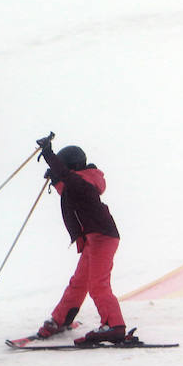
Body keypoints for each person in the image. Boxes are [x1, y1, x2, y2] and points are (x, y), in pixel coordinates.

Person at [34, 136, 126, 345]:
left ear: (71, 167)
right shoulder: (80, 182)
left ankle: (114, 326)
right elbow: (68, 188)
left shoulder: (83, 182)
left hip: (102, 237)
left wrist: (49, 155)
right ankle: (60, 320)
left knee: (97, 284)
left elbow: (71, 181)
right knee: (79, 283)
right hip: (94, 238)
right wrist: (57, 178)